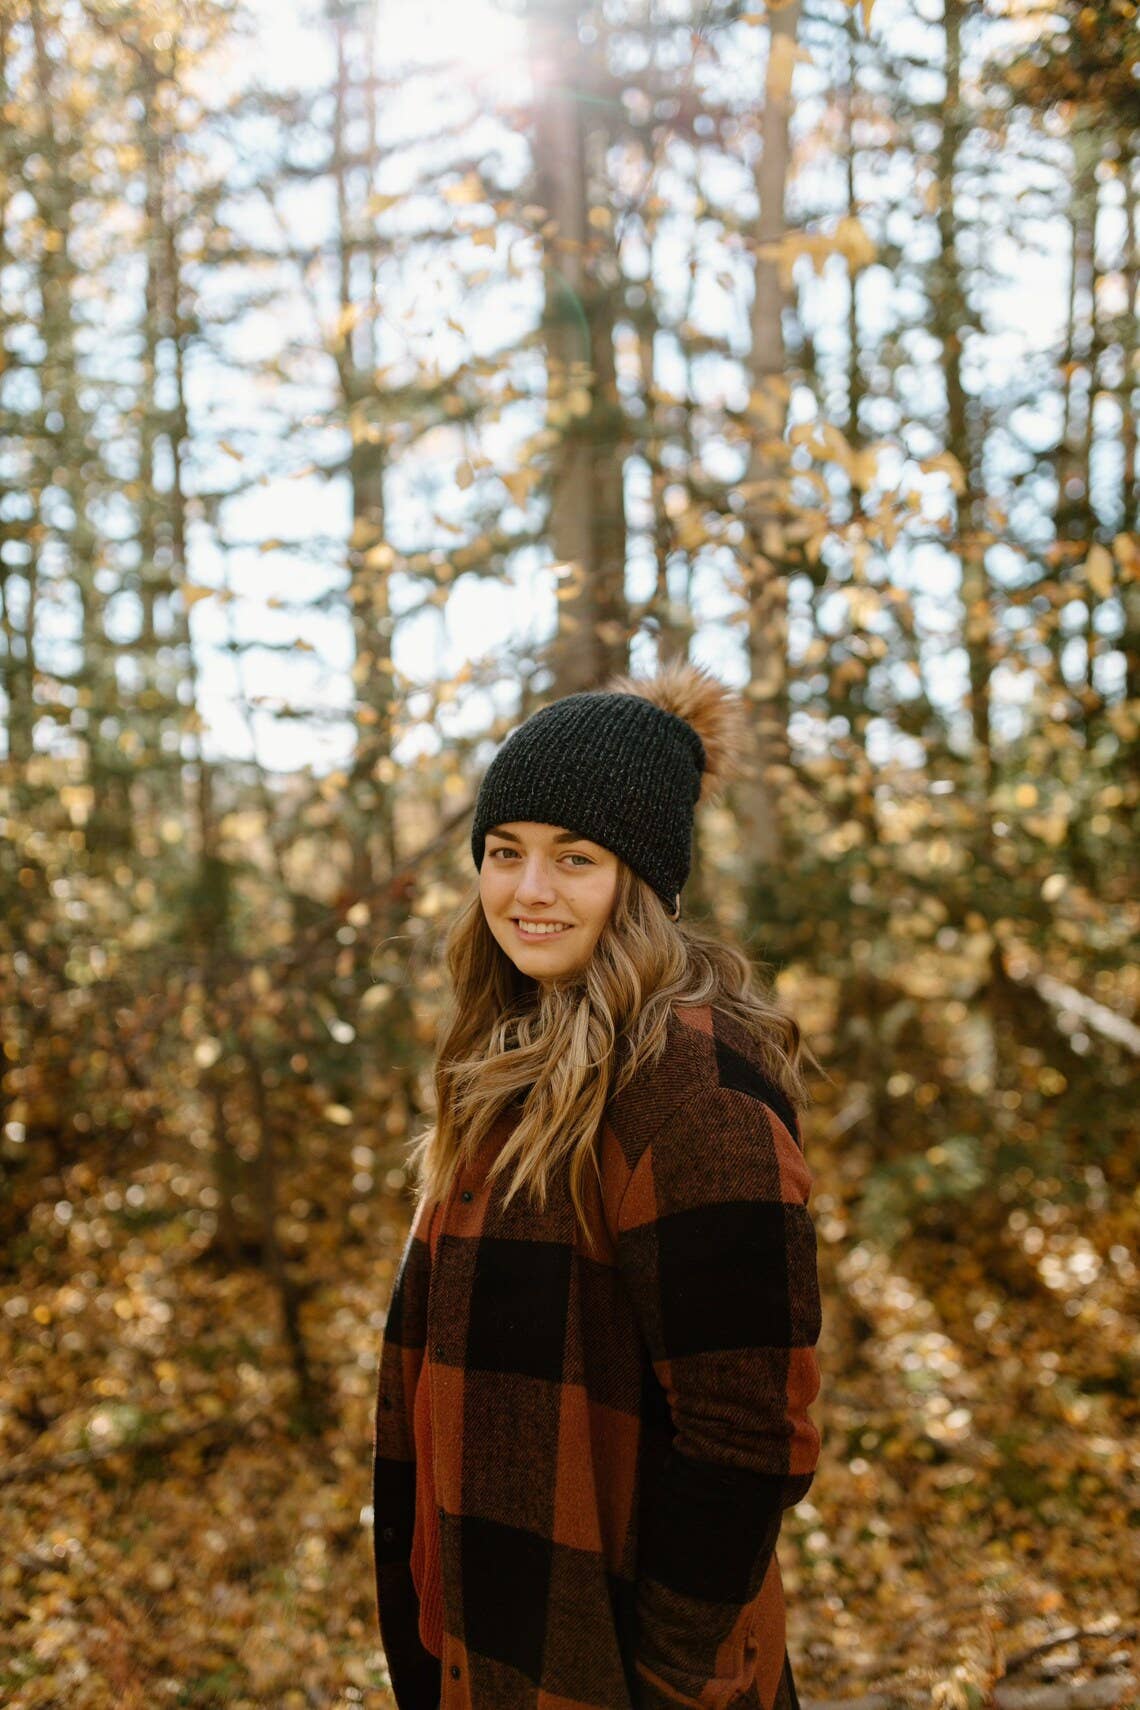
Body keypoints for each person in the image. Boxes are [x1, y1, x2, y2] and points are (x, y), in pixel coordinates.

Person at [371, 659, 824, 1710]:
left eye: (574, 859)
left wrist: (669, 1673)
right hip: (497, 1650)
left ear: (643, 882)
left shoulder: (692, 1094)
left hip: (622, 1676)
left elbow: (749, 1438)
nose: (528, 892)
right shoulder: (509, 1062)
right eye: (505, 853)